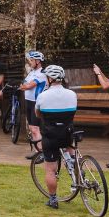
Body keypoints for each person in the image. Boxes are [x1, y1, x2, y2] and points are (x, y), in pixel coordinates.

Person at [34, 65, 77, 209]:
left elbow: (37, 114)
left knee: (50, 170)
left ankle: (53, 199)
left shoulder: (43, 95)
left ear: (50, 78)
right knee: (71, 150)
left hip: (50, 136)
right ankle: (75, 169)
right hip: (67, 133)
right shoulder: (72, 94)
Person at [20, 50, 47, 161]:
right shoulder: (32, 72)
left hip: (37, 103)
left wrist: (24, 86)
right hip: (28, 102)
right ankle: (37, 151)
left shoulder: (42, 73)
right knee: (32, 128)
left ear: (37, 61)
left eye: (31, 60)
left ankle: (42, 153)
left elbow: (28, 86)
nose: (30, 62)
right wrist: (24, 86)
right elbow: (23, 84)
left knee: (36, 129)